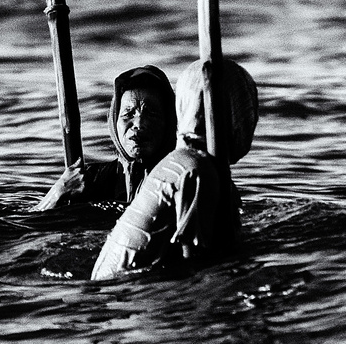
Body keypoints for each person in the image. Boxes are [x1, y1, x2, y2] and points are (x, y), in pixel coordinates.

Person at [91, 58, 257, 280]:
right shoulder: (195, 171)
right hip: (126, 294)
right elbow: (199, 271)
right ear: (229, 114)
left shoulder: (186, 164)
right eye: (246, 107)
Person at [35, 65, 175, 211]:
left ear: (170, 121)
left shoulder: (183, 179)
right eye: (128, 114)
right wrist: (57, 194)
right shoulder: (90, 181)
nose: (139, 124)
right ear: (114, 122)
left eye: (151, 114)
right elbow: (25, 225)